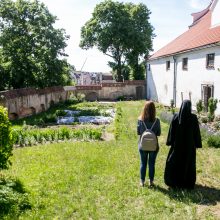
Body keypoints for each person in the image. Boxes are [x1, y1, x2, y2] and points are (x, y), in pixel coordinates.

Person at [164, 100, 202, 189]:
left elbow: (171, 132)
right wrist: (197, 143)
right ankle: (187, 183)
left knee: (175, 163)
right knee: (188, 164)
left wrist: (170, 141)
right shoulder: (193, 118)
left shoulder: (176, 117)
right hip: (189, 147)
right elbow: (196, 133)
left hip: (177, 146)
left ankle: (174, 181)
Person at [137, 101, 161, 187]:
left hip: (142, 145)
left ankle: (142, 181)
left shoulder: (140, 120)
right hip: (154, 146)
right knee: (151, 163)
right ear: (154, 110)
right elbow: (158, 133)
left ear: (145, 109)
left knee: (143, 163)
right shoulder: (157, 120)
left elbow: (138, 132)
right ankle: (151, 181)